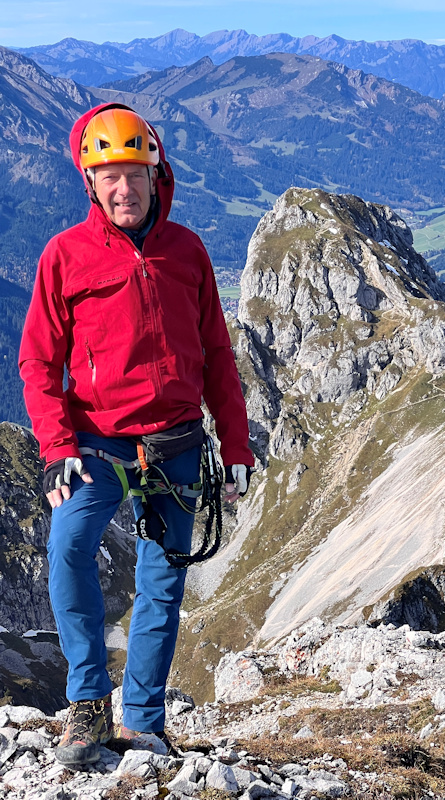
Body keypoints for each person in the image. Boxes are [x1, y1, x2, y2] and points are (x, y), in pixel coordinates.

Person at [18, 103, 254, 766]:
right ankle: (89, 705)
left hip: (177, 441)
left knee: (162, 582)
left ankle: (144, 721)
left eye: (135, 174)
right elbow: (38, 359)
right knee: (68, 547)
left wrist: (234, 444)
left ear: (157, 175)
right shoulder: (65, 256)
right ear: (90, 183)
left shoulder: (187, 251)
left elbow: (216, 353)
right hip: (97, 441)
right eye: (109, 176)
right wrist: (56, 446)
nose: (124, 188)